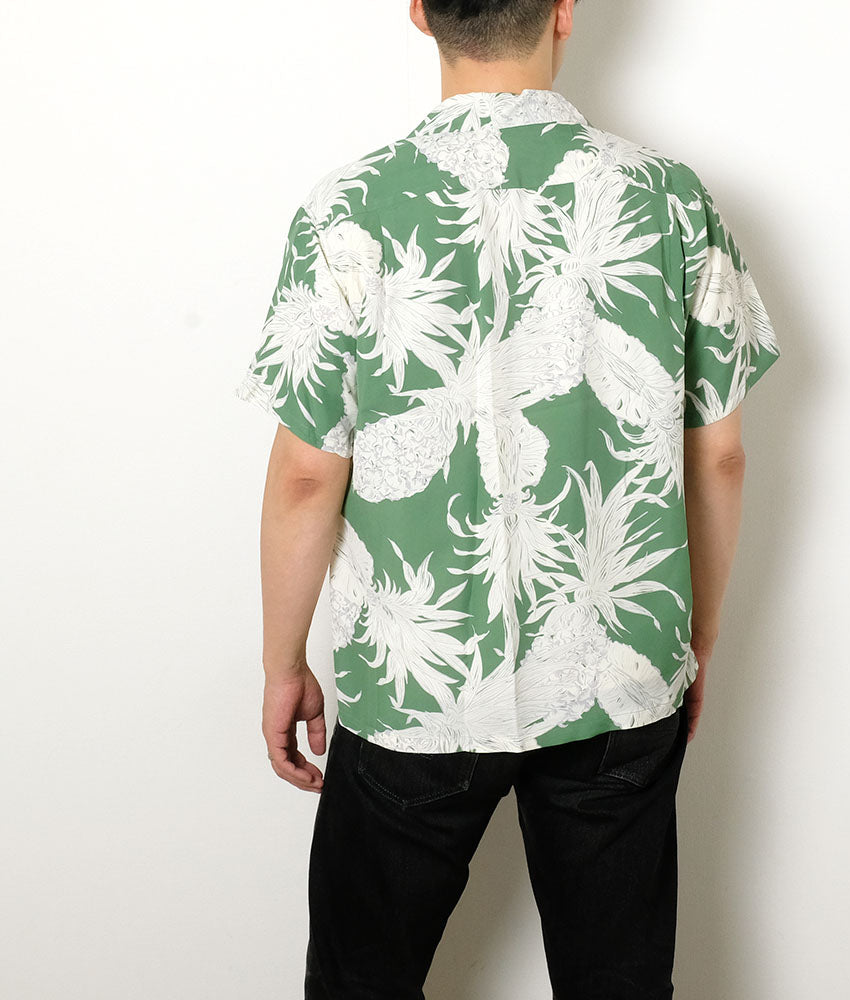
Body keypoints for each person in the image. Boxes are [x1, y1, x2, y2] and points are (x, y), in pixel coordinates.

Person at [234, 0, 781, 995]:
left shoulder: (347, 209)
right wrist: (695, 631)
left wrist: (283, 663)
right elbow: (722, 456)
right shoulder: (667, 198)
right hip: (619, 662)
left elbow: (308, 471)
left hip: (417, 682)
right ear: (564, 10)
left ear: (419, 13)